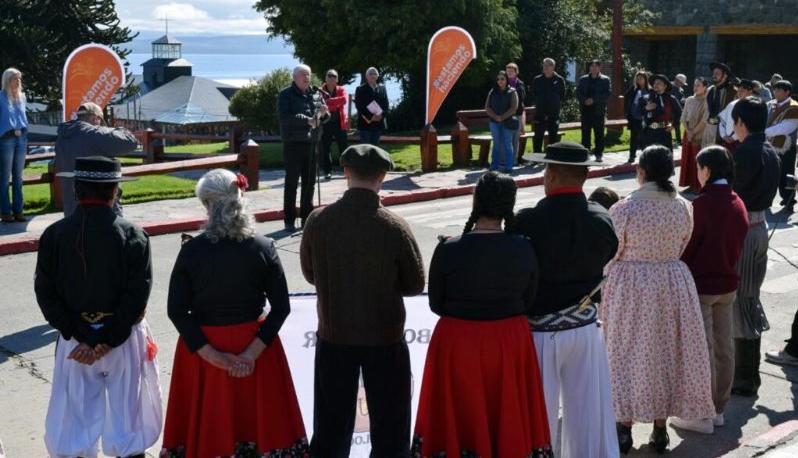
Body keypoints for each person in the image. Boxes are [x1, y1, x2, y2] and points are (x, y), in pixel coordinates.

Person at [162, 169, 307, 457]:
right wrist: (250, 355)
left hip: (204, 351)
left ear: (207, 205)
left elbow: (176, 310)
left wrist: (211, 356)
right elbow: (281, 308)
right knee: (263, 427)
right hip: (256, 348)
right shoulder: (263, 247)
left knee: (211, 429)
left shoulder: (192, 251)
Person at [412, 171, 553, 457]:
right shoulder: (523, 248)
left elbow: (436, 304)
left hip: (457, 342)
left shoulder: (448, 248)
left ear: (475, 200)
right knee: (507, 412)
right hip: (508, 340)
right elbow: (529, 299)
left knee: (459, 414)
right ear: (509, 205)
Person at [300, 144, 426, 456]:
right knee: (390, 427)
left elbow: (310, 273)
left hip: (335, 336)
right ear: (382, 177)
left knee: (331, 426)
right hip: (384, 340)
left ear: (345, 173)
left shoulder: (318, 221)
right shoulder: (394, 226)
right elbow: (415, 284)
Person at [34, 156, 162, 458]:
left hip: (74, 342)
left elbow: (46, 293)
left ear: (77, 191)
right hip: (122, 339)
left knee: (75, 420)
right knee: (127, 418)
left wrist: (82, 336)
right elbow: (137, 295)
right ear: (114, 192)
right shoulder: (133, 234)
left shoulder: (54, 234)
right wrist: (105, 340)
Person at [601, 145, 715, 454]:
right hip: (672, 283)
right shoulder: (683, 207)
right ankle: (660, 428)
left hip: (631, 287)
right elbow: (681, 244)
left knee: (625, 352)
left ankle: (624, 427)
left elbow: (614, 251)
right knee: (665, 353)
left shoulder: (623, 209)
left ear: (641, 172)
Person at [517, 141, 619, 457]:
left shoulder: (527, 221)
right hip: (585, 327)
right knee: (590, 414)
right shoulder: (601, 218)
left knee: (538, 420)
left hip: (540, 331)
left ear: (552, 175)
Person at [675, 146, 749, 433]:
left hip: (702, 286)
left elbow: (687, 247)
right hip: (727, 284)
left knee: (702, 351)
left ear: (707, 170)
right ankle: (717, 409)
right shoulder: (737, 201)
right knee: (723, 349)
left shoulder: (701, 205)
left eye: (698, 167)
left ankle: (702, 414)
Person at [729, 97, 781, 396]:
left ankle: (745, 376)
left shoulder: (747, 151)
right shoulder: (769, 150)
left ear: (740, 122)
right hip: (758, 227)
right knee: (747, 297)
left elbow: (733, 193)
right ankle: (748, 373)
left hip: (746, 229)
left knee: (743, 300)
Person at [55, 102, 139, 216]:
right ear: (95, 117)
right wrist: (119, 129)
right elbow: (131, 142)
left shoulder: (63, 137)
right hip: (101, 207)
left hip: (72, 208)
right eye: (100, 121)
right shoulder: (94, 133)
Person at [277, 64, 329, 233]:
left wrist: (324, 113)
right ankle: (289, 219)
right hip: (293, 144)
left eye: (309, 74)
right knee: (291, 182)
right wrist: (306, 120)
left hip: (312, 142)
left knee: (310, 182)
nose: (307, 77)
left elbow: (324, 117)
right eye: (303, 74)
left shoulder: (316, 94)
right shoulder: (285, 94)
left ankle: (307, 217)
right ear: (295, 77)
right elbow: (284, 117)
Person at [765, 79, 798, 208]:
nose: (775, 92)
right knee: (768, 173)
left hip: (785, 147)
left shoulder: (794, 107)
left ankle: (788, 200)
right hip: (769, 145)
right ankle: (765, 199)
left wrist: (764, 132)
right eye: (774, 89)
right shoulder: (770, 104)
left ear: (787, 92)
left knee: (786, 174)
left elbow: (786, 128)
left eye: (778, 90)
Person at [0, 68, 28, 222]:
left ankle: (19, 211)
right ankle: (5, 212)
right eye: (14, 78)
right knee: (4, 177)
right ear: (6, 80)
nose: (18, 81)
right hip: (6, 139)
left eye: (19, 78)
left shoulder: (22, 97)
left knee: (18, 177)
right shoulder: (0, 97)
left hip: (21, 137)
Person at [485, 70, 519, 174]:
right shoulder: (492, 91)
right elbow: (487, 107)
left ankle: (509, 166)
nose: (500, 81)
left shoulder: (512, 91)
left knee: (507, 144)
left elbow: (514, 107)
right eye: (498, 79)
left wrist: (503, 117)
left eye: (502, 79)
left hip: (507, 122)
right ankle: (494, 165)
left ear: (506, 80)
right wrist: (495, 116)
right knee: (496, 143)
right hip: (494, 122)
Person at [577, 59, 611, 162]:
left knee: (599, 134)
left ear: (600, 68)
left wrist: (593, 100)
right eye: (592, 66)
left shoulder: (605, 80)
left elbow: (607, 94)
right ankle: (585, 153)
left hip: (598, 111)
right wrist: (584, 100)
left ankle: (598, 154)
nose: (594, 68)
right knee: (585, 133)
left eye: (596, 66)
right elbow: (578, 92)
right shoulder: (583, 79)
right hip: (586, 110)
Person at [679, 77, 709, 192]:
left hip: (700, 134)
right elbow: (683, 117)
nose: (695, 88)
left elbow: (704, 120)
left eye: (699, 85)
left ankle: (699, 186)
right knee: (688, 160)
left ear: (705, 87)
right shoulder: (689, 100)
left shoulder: (706, 101)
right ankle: (690, 184)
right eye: (695, 85)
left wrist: (694, 132)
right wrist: (688, 131)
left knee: (698, 160)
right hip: (688, 134)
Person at [319, 69, 349, 181]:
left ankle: (346, 170)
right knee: (325, 148)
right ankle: (327, 171)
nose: (331, 77)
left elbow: (344, 100)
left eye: (334, 76)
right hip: (325, 123)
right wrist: (334, 104)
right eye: (329, 75)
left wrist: (328, 102)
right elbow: (319, 104)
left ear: (337, 79)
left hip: (339, 123)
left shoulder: (341, 89)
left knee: (343, 147)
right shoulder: (320, 90)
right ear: (325, 78)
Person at [532, 58, 566, 154]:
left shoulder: (559, 80)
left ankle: (552, 156)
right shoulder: (537, 79)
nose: (545, 67)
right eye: (544, 65)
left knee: (553, 137)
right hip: (540, 113)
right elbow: (534, 94)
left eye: (548, 65)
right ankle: (536, 156)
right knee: (538, 136)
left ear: (553, 67)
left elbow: (562, 95)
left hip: (553, 114)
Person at [702, 61, 737, 147]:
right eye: (714, 73)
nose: (714, 75)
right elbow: (706, 111)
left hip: (724, 133)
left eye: (717, 73)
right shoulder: (709, 90)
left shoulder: (733, 92)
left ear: (724, 75)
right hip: (709, 130)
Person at [639, 73, 675, 151]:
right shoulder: (645, 98)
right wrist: (646, 108)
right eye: (655, 83)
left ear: (665, 86)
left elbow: (680, 113)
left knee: (664, 158)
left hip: (664, 132)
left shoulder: (670, 99)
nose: (656, 85)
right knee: (649, 159)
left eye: (659, 83)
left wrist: (673, 124)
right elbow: (638, 112)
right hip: (649, 132)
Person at [355, 66, 390, 145]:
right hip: (365, 124)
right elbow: (359, 106)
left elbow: (386, 105)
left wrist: (381, 115)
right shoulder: (360, 89)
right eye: (370, 73)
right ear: (366, 76)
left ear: (377, 76)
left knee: (375, 149)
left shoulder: (382, 89)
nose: (372, 75)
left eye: (374, 73)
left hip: (378, 124)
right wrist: (371, 116)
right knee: (365, 149)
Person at [624, 71, 650, 164]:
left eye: (640, 79)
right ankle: (632, 155)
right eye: (637, 79)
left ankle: (646, 156)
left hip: (644, 118)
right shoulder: (634, 89)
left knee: (644, 138)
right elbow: (626, 97)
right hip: (634, 117)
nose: (639, 81)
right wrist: (634, 86)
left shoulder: (649, 90)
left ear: (645, 79)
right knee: (633, 137)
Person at [506, 62, 528, 165]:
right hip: (506, 115)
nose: (509, 73)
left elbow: (523, 101)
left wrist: (523, 122)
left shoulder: (521, 84)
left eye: (511, 71)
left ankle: (514, 160)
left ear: (516, 72)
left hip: (518, 114)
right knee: (506, 139)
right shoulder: (503, 82)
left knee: (515, 138)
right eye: (508, 71)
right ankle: (505, 160)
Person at [670, 73, 687, 145]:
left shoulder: (681, 90)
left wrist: (684, 100)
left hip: (677, 110)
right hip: (669, 109)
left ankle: (678, 140)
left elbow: (681, 98)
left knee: (677, 124)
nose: (682, 85)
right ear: (677, 81)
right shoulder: (669, 87)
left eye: (682, 83)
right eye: (681, 83)